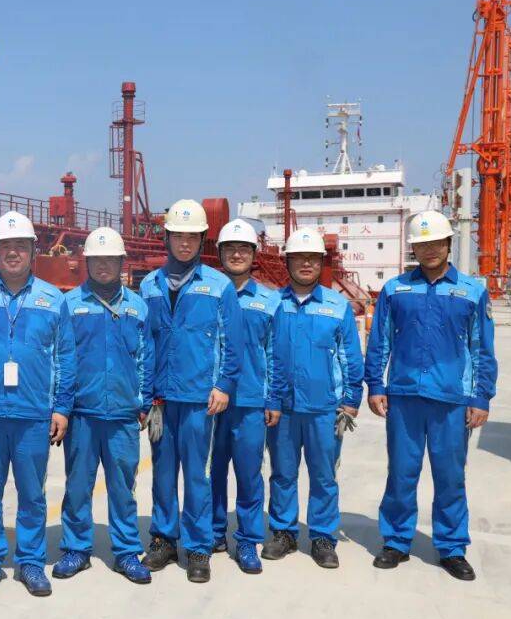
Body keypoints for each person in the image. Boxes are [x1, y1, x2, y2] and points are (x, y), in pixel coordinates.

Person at [365, 210, 497, 580]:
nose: (429, 250)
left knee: (450, 477)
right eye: (422, 244)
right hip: (404, 397)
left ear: (449, 244)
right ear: (414, 248)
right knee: (401, 473)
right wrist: (375, 385)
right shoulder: (395, 289)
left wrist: (481, 397)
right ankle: (396, 541)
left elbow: (482, 348)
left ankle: (452, 548)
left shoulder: (472, 291)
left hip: (451, 400)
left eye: (436, 242)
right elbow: (380, 341)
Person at [0, 211, 76, 598]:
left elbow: (65, 357)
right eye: (6, 246)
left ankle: (30, 562)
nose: (13, 252)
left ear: (33, 251)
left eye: (21, 246)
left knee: (32, 495)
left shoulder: (53, 299)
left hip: (33, 414)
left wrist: (61, 408)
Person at [140, 200, 242, 583]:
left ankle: (199, 547)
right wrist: (144, 395)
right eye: (178, 236)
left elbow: (232, 343)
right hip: (161, 398)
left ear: (202, 240)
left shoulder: (218, 286)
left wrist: (224, 384)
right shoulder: (149, 286)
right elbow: (143, 343)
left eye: (192, 237)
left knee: (197, 474)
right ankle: (164, 539)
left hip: (200, 398)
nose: (185, 243)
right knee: (163, 473)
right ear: (167, 238)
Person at [53, 228, 152, 585]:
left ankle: (126, 551)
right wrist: (62, 407)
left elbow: (146, 358)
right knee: (78, 485)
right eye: (97, 260)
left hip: (123, 414)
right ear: (87, 263)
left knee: (123, 487)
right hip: (82, 413)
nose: (104, 265)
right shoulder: (69, 305)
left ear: (121, 262)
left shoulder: (137, 306)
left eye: (110, 259)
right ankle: (76, 548)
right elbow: (60, 359)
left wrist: (143, 401)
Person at [264, 227, 363, 569]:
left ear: (321, 263)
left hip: (325, 408)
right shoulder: (272, 304)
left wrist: (351, 399)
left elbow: (351, 356)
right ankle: (284, 532)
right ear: (287, 262)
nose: (306, 264)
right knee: (282, 473)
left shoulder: (337, 305)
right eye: (299, 258)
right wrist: (269, 399)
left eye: (313, 258)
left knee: (324, 475)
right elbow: (264, 354)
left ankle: (322, 536)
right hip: (283, 408)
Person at [210, 219, 281, 574]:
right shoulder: (207, 294)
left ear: (253, 255)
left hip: (251, 401)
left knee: (250, 473)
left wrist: (273, 398)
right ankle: (213, 532)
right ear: (220, 254)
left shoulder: (269, 300)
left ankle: (249, 539)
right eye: (230, 249)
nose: (236, 255)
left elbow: (275, 354)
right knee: (211, 472)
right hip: (210, 400)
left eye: (243, 249)